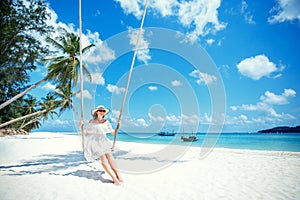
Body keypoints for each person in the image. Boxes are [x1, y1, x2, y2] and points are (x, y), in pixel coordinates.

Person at [79, 105, 123, 186]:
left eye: (103, 111)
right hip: (95, 142)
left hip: (104, 140)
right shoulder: (92, 122)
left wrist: (118, 127)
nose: (102, 112)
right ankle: (114, 178)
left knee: (110, 158)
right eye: (100, 110)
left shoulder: (106, 122)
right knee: (103, 160)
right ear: (96, 112)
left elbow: (113, 133)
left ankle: (118, 175)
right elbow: (85, 133)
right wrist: (80, 126)